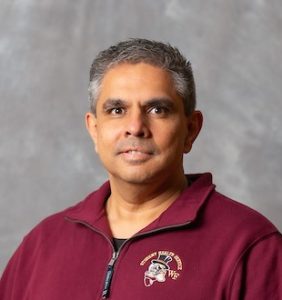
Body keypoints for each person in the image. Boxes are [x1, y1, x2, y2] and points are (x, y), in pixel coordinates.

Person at [0, 38, 281, 300]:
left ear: (190, 130)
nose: (135, 127)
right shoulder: (42, 244)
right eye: (116, 110)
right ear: (94, 130)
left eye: (157, 109)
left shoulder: (251, 246)